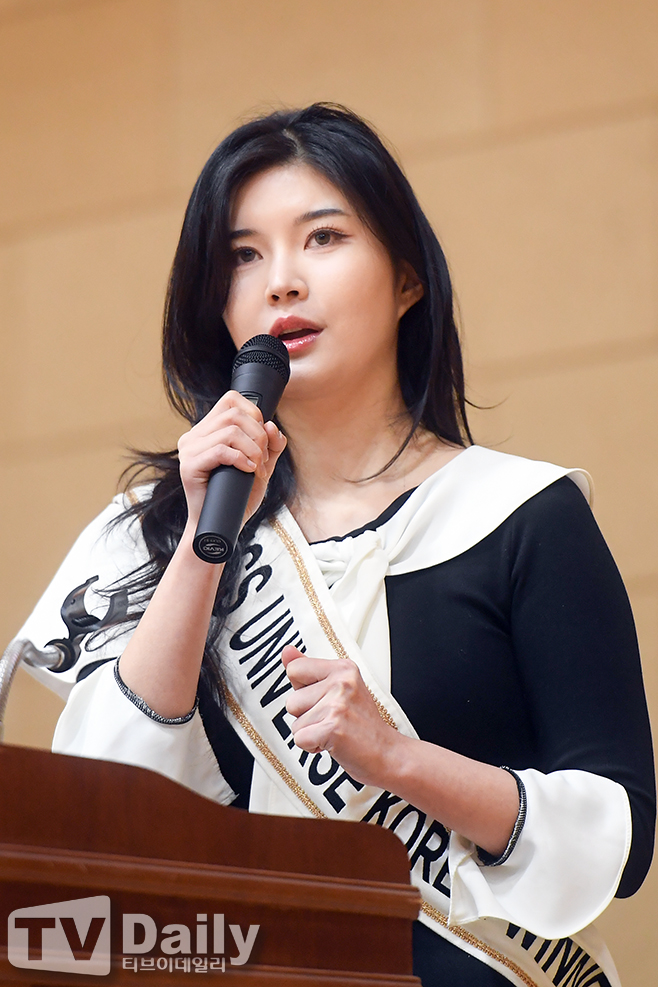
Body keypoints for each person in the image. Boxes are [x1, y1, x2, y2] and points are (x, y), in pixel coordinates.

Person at [14, 104, 655, 986]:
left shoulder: (520, 513)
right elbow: (102, 826)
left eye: (323, 238)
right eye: (244, 255)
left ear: (406, 277)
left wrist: (396, 759)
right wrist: (199, 547)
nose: (281, 282)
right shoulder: (156, 534)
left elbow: (619, 836)